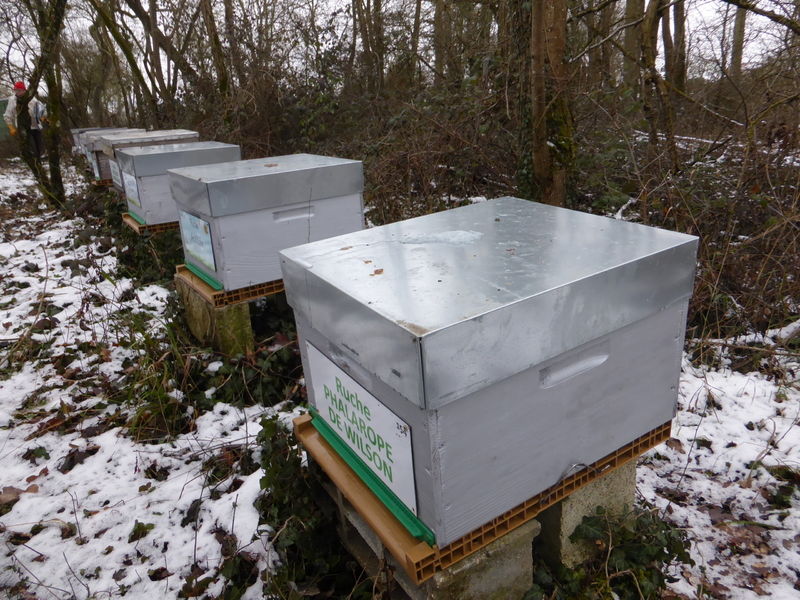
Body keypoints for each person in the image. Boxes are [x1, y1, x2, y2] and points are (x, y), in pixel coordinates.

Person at [4, 81, 46, 158]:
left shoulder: (31, 98)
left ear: (24, 90)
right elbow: (7, 115)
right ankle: (35, 163)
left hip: (36, 126)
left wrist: (42, 117)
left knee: (39, 150)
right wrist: (11, 127)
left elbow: (40, 108)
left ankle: (38, 164)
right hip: (23, 128)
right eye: (16, 90)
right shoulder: (12, 100)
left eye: (19, 90)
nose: (17, 92)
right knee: (31, 149)